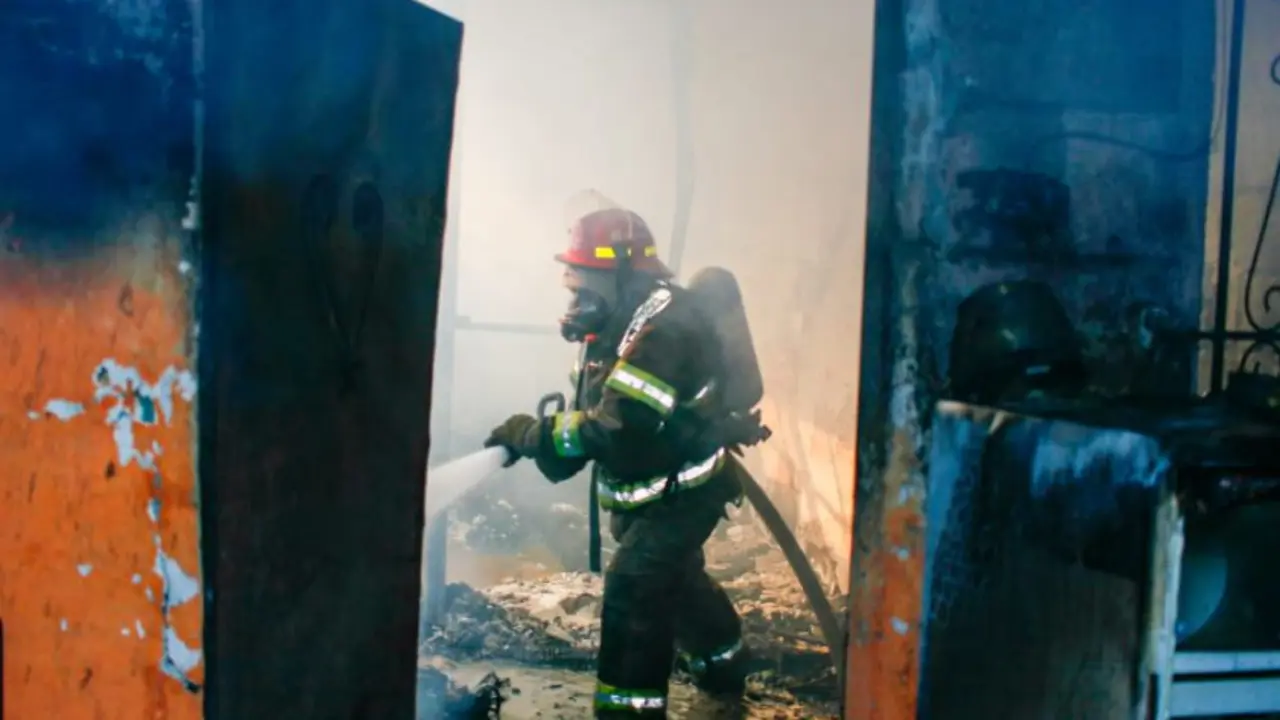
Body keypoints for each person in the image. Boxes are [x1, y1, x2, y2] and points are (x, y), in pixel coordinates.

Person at [483, 203, 750, 717]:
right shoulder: (611, 328)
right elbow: (592, 424)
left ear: (623, 272)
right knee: (676, 580)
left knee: (635, 588)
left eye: (582, 284)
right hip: (646, 490)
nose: (572, 294)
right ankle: (726, 665)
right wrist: (543, 445)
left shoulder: (664, 331)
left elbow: (618, 429)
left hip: (684, 494)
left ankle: (627, 712)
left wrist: (533, 434)